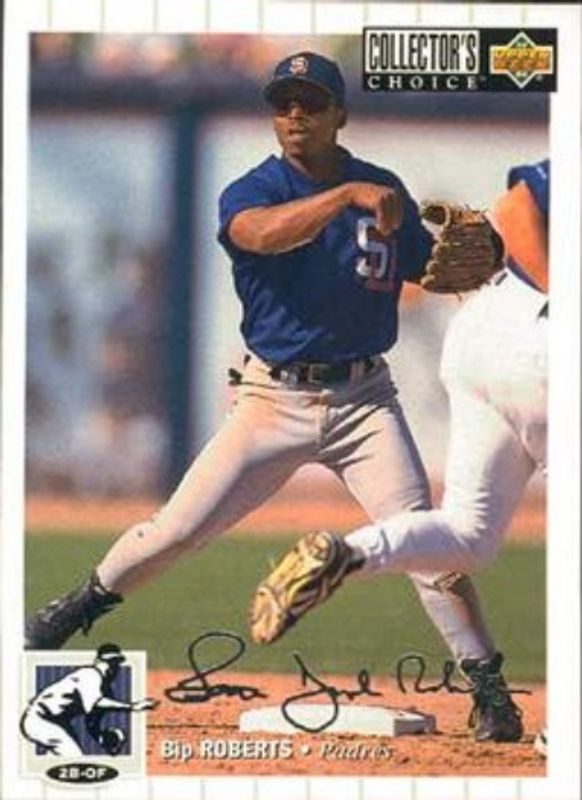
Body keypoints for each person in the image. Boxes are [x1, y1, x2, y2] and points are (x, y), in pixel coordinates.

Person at [25, 51, 512, 741]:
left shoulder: (383, 188)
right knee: (175, 530)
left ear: (340, 114)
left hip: (365, 400)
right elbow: (261, 234)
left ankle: (490, 688)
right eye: (283, 103)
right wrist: (344, 196)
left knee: (423, 543)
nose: (294, 115)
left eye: (310, 102)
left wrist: (483, 256)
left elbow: (427, 269)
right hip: (270, 400)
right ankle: (69, 613)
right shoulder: (255, 189)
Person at [251, 158, 549, 742]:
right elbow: (517, 204)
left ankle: (344, 554)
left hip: (483, 332)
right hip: (538, 337)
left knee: (467, 534)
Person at [20, 643, 157, 757]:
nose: (112, 667)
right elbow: (97, 704)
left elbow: (92, 722)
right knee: (74, 757)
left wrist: (101, 738)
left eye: (116, 663)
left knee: (62, 755)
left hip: (56, 722)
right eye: (108, 662)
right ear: (97, 662)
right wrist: (132, 706)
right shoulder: (90, 675)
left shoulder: (104, 690)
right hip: (39, 720)